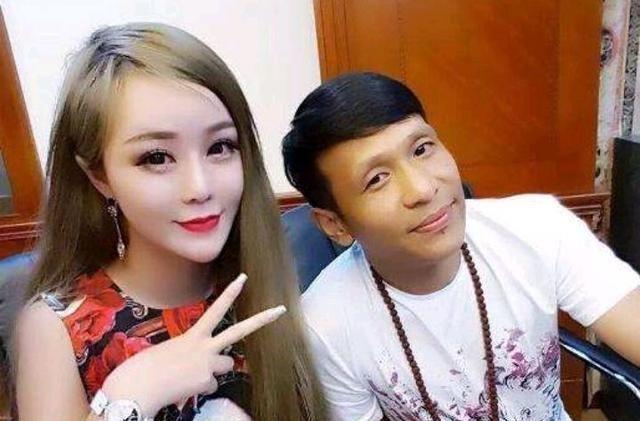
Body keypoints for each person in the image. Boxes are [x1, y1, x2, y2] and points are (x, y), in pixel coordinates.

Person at [282, 72, 640, 420]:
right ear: (335, 224)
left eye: (422, 149)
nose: (423, 189)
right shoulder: (324, 326)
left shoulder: (539, 228)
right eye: (377, 179)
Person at [13, 23, 326, 421]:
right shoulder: (54, 329)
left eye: (220, 147)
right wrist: (129, 396)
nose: (199, 187)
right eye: (157, 158)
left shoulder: (267, 283)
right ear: (99, 176)